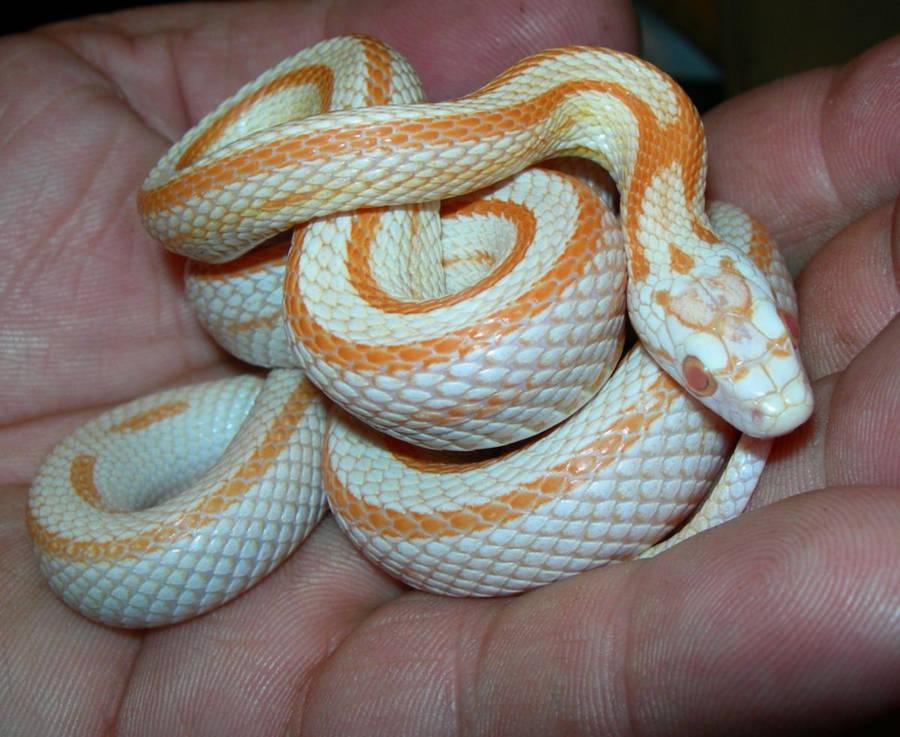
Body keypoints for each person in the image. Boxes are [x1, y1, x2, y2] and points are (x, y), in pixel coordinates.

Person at [1, 2, 896, 734]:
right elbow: (184, 215)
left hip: (397, 302)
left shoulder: (633, 164)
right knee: (346, 110)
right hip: (352, 287)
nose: (762, 404)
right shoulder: (614, 177)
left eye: (746, 360)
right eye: (708, 379)